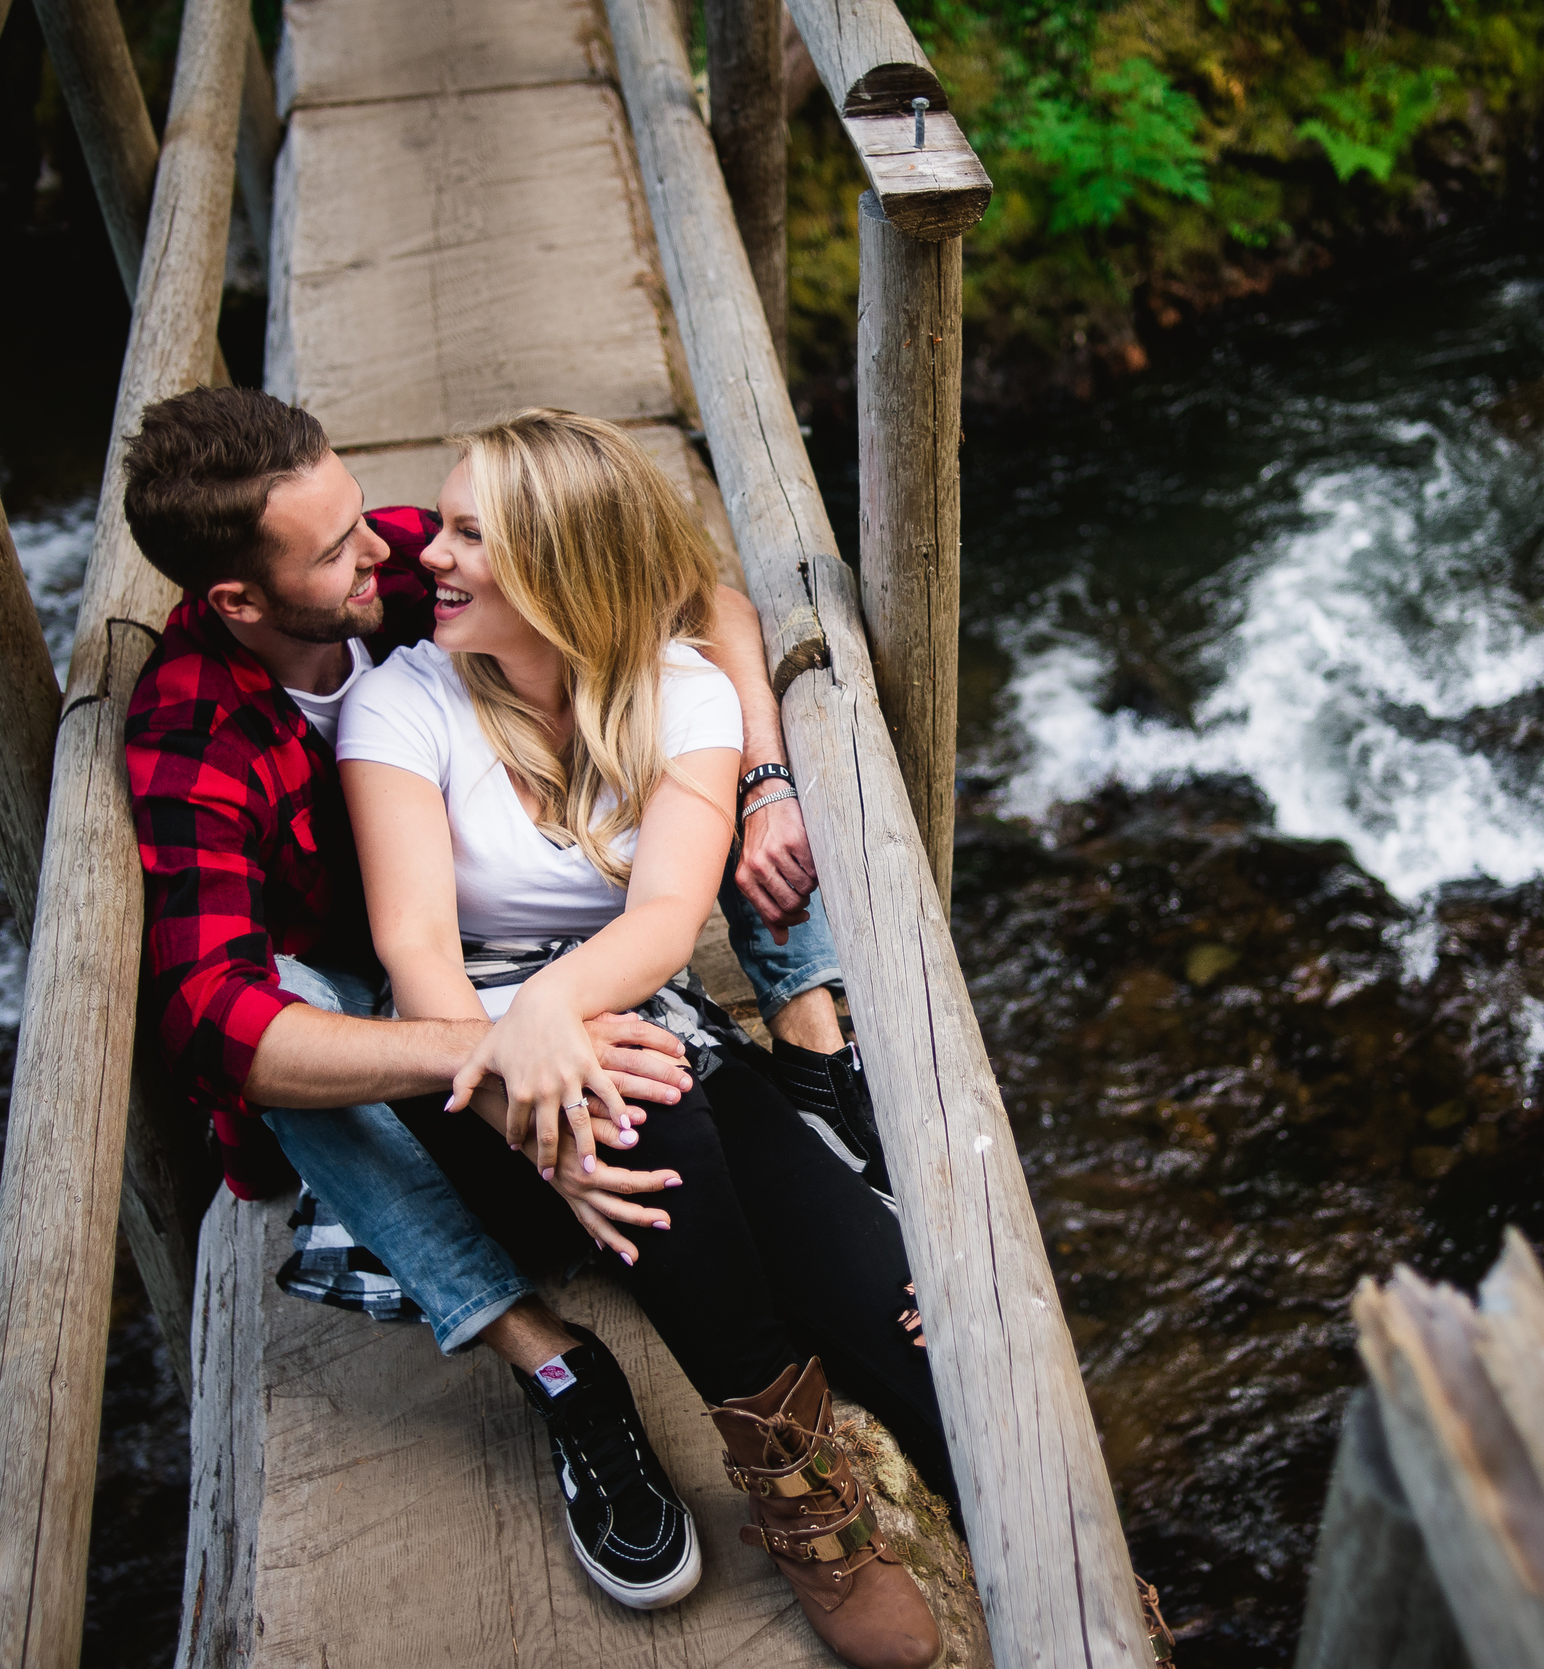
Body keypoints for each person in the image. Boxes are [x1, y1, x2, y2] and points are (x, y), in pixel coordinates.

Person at [119, 389, 935, 1668]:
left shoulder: (398, 568)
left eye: (407, 528)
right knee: (370, 1024)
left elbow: (694, 602)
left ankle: (1064, 1548)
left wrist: (760, 779)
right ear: (240, 599)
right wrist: (502, 1068)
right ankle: (647, 1401)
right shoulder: (226, 722)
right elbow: (235, 1019)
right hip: (409, 1044)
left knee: (874, 1283)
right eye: (344, 550)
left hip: (581, 991)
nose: (396, 555)